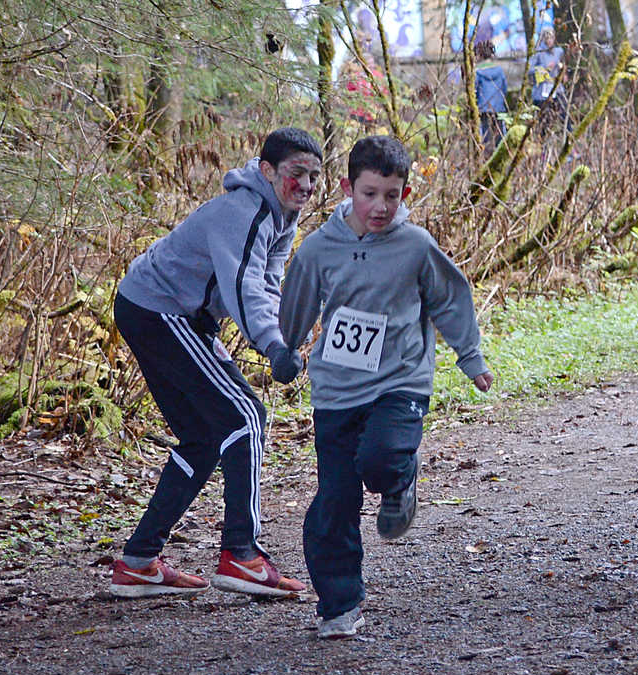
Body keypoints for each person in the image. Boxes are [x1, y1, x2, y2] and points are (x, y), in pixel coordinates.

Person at [277, 136, 494, 639]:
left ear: (406, 192)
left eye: (391, 196)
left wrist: (471, 357)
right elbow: (299, 304)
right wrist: (284, 350)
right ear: (346, 187)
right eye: (369, 193)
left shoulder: (415, 245)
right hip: (336, 387)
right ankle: (339, 605)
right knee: (334, 500)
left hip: (401, 379)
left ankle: (400, 477)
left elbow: (450, 298)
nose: (380, 207)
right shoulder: (319, 248)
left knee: (381, 458)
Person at [109, 127, 322, 598]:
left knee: (205, 437)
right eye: (295, 174)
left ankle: (138, 561)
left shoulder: (280, 217)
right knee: (247, 417)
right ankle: (241, 555)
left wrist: (284, 341)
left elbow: (267, 285)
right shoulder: (242, 212)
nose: (305, 186)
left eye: (313, 176)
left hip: (167, 313)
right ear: (267, 171)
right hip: (158, 310)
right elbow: (243, 289)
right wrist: (272, 347)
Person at [529, 28, 570, 133]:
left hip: (557, 88)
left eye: (551, 37)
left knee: (564, 114)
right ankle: (543, 141)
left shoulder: (559, 51)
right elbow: (529, 70)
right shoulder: (538, 52)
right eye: (546, 38)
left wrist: (564, 74)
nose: (549, 40)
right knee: (544, 119)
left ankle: (569, 137)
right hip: (542, 90)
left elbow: (563, 65)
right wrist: (544, 68)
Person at [474, 40, 508, 152]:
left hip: (483, 109)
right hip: (498, 108)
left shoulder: (478, 72)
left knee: (485, 138)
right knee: (500, 137)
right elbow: (504, 89)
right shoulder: (500, 71)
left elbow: (475, 91)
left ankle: (485, 160)